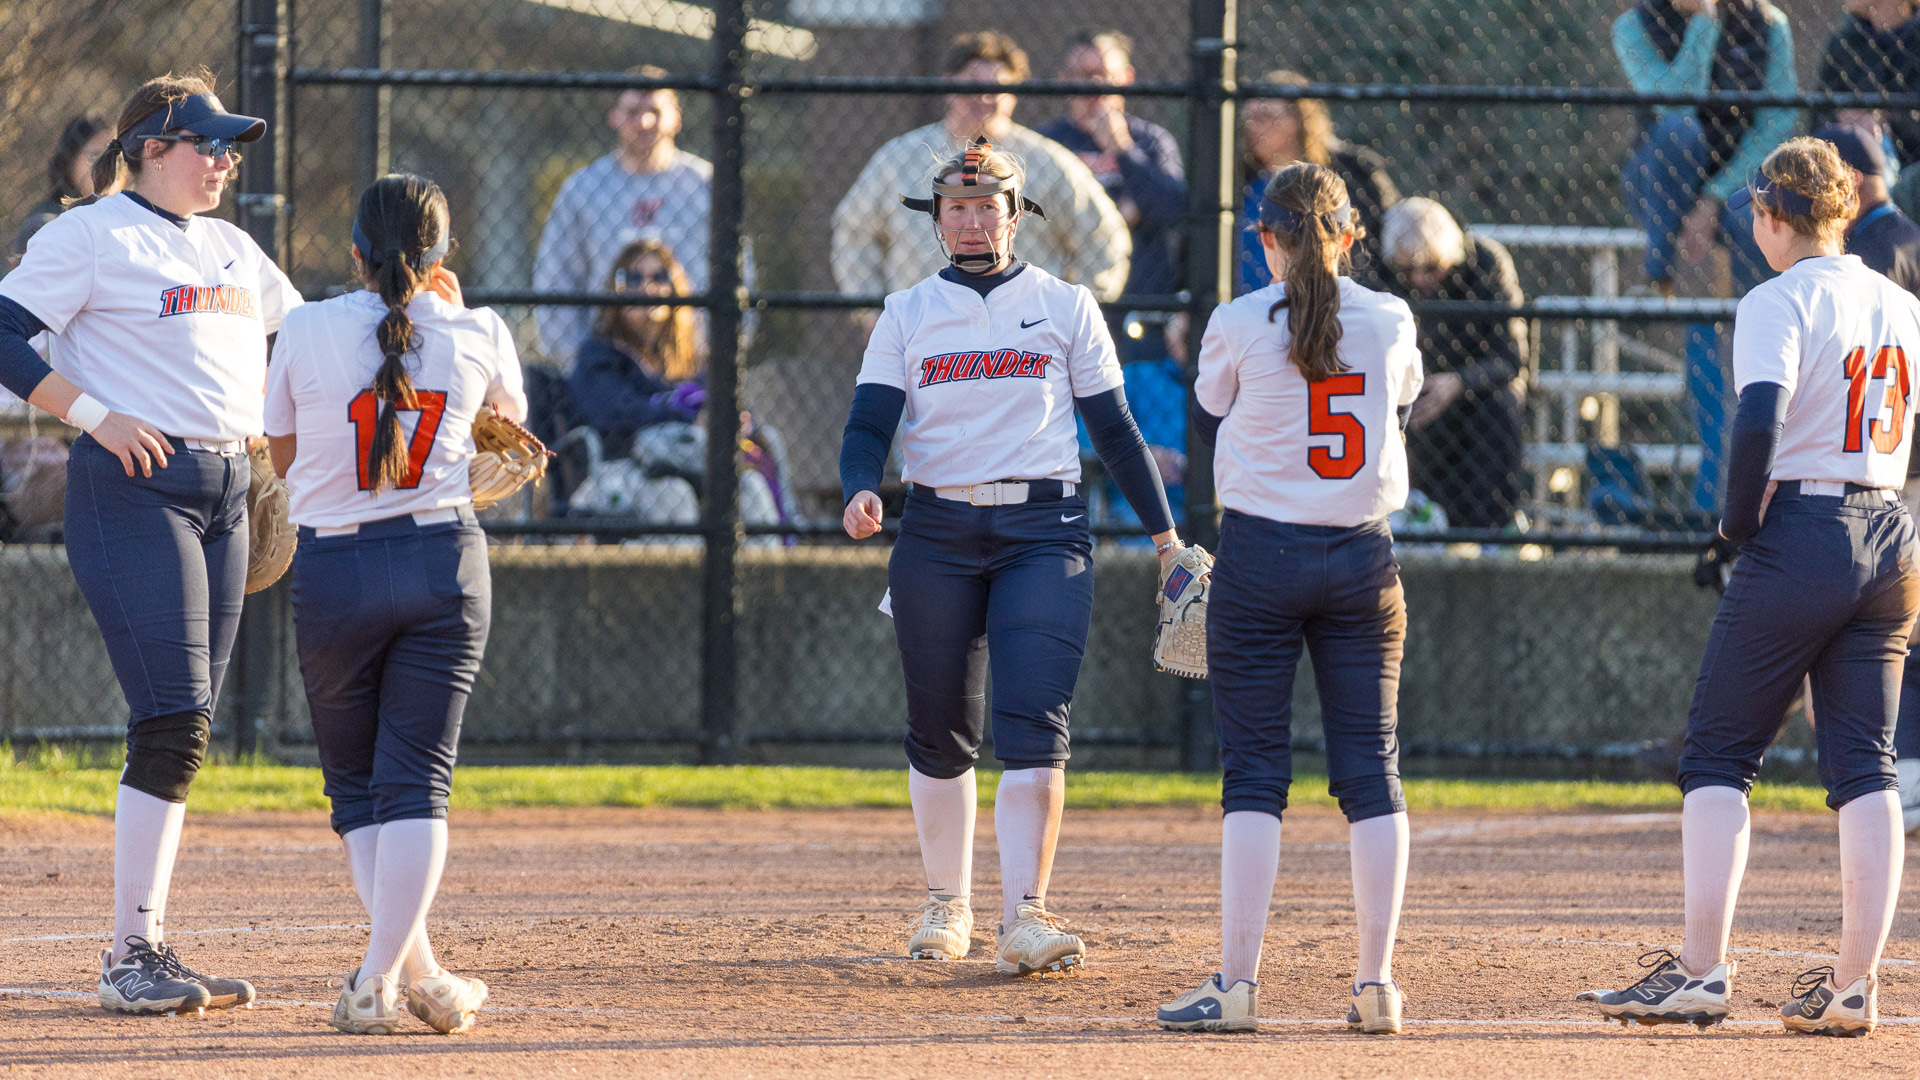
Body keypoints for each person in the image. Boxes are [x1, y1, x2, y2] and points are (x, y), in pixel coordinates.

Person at [1583, 138, 1920, 1037]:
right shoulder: (1899, 300)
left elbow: (1757, 422)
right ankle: (1855, 984)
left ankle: (1700, 969)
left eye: (1759, 216)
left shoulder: (1777, 296)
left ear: (1776, 218)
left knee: (1717, 756)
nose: (1756, 229)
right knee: (1866, 766)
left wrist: (1733, 530)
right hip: (1890, 529)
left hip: (1804, 531)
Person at [838, 140, 1183, 977]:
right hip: (938, 530)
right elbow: (868, 425)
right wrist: (860, 487)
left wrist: (1167, 536)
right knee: (940, 728)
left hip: (1043, 530)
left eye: (986, 204)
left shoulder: (1065, 305)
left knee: (1036, 721)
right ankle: (945, 905)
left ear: (1017, 212)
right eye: (954, 206)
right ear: (936, 218)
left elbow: (1116, 433)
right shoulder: (907, 311)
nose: (969, 219)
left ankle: (1025, 914)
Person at [0, 72, 299, 1015]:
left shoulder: (234, 248)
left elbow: (303, 340)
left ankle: (148, 945)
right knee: (172, 712)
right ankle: (131, 953)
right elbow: (3, 331)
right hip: (133, 490)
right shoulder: (88, 234)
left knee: (189, 725)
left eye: (229, 147)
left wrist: (414, 314)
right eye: (205, 142)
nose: (223, 159)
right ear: (149, 149)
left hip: (227, 490)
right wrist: (95, 414)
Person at [1156, 162, 1420, 1036]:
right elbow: (1401, 409)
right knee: (1372, 774)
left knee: (1256, 777)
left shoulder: (1236, 320)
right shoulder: (1390, 317)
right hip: (1362, 560)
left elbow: (1207, 415)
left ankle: (1237, 986)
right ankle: (1376, 984)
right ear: (1349, 235)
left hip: (1262, 557)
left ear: (1265, 239)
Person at [264, 173, 520, 1036]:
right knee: (419, 783)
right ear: (442, 258)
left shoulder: (303, 327)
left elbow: (286, 455)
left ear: (354, 256)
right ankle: (416, 975)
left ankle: (380, 980)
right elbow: (512, 437)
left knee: (358, 791)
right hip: (443, 560)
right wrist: (452, 311)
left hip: (335, 568)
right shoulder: (479, 329)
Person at [1616, 0, 1796, 513]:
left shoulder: (1769, 25)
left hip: (1741, 187)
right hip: (1660, 185)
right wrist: (1703, 26)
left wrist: (1716, 197)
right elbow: (1675, 102)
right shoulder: (1634, 25)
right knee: (1679, 132)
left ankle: (1731, 496)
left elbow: (1780, 122)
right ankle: (1661, 262)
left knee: (1751, 222)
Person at [831, 31, 1131, 304]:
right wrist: (871, 311)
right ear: (949, 86)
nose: (984, 97)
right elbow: (853, 233)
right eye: (973, 85)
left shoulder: (1048, 162)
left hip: (1021, 336)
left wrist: (1073, 315)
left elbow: (1105, 238)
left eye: (996, 87)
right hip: (923, 326)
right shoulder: (899, 158)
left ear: (1014, 93)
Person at [1814, 122, 1920, 834]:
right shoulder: (1910, 233)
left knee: (1891, 627)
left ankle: (1902, 773)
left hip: (1890, 466)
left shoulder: (1870, 254)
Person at [535, 66, 728, 372]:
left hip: (693, 363)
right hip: (605, 365)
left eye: (655, 110)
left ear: (676, 117)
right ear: (614, 117)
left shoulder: (706, 186)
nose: (644, 121)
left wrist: (716, 357)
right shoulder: (583, 189)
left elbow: (738, 274)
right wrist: (577, 364)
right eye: (633, 111)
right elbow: (556, 278)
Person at [1377, 197, 1528, 530]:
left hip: (1477, 390)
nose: (1418, 279)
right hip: (1412, 391)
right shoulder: (1381, 274)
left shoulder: (1486, 264)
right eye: (1406, 270)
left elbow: (1510, 358)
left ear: (1452, 256)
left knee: (1499, 407)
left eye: (1431, 267)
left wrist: (1457, 382)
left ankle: (1490, 530)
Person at [1036, 30, 1186, 359]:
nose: (1093, 87)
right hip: (1059, 317)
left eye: (1103, 75)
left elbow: (1174, 209)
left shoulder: (1150, 141)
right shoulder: (1044, 143)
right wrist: (1124, 214)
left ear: (1127, 78)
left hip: (1141, 323)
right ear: (1062, 81)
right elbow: (1035, 217)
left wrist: (1122, 149)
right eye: (1081, 76)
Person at [1236, 70, 1399, 295]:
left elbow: (1378, 246)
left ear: (1298, 120)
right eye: (1249, 117)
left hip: (1328, 304)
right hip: (1250, 308)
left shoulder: (1351, 173)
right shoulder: (1239, 178)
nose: (1253, 126)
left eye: (1265, 117)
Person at [567, 237, 704, 458]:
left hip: (691, 460)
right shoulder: (598, 354)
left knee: (749, 483)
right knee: (677, 492)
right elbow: (616, 414)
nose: (646, 288)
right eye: (633, 278)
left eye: (659, 277)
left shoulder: (691, 358)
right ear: (616, 288)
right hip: (623, 471)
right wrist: (688, 415)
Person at [1817, 0, 1920, 183]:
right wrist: (1842, 117)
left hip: (1910, 167)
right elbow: (1816, 116)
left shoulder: (1914, 39)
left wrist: (1885, 118)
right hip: (1852, 160)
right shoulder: (1844, 40)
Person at [13, 115, 112, 256]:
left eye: (116, 157)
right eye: (94, 156)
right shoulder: (45, 224)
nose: (108, 167)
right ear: (69, 160)